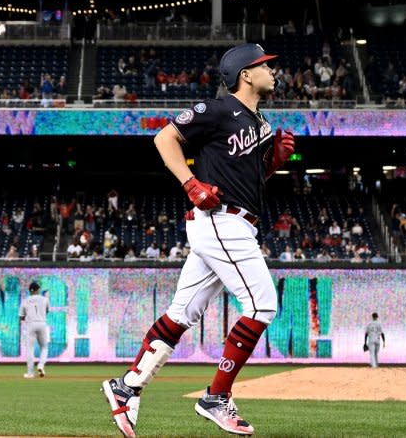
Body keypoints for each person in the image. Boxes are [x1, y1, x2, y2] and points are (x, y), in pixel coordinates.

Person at [101, 43, 294, 437]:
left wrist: (271, 166)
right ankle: (216, 397)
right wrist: (190, 182)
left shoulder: (260, 123)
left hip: (235, 221)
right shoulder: (219, 109)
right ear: (245, 74)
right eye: (264, 65)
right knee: (261, 306)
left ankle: (126, 386)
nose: (272, 71)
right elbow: (164, 139)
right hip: (221, 221)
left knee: (181, 312)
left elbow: (247, 182)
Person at [20, 281, 50, 378]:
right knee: (44, 347)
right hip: (42, 323)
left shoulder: (25, 300)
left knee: (30, 348)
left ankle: (30, 373)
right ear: (38, 289)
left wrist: (28, 317)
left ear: (29, 290)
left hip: (30, 325)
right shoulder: (45, 299)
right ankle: (41, 365)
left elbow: (21, 316)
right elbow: (47, 311)